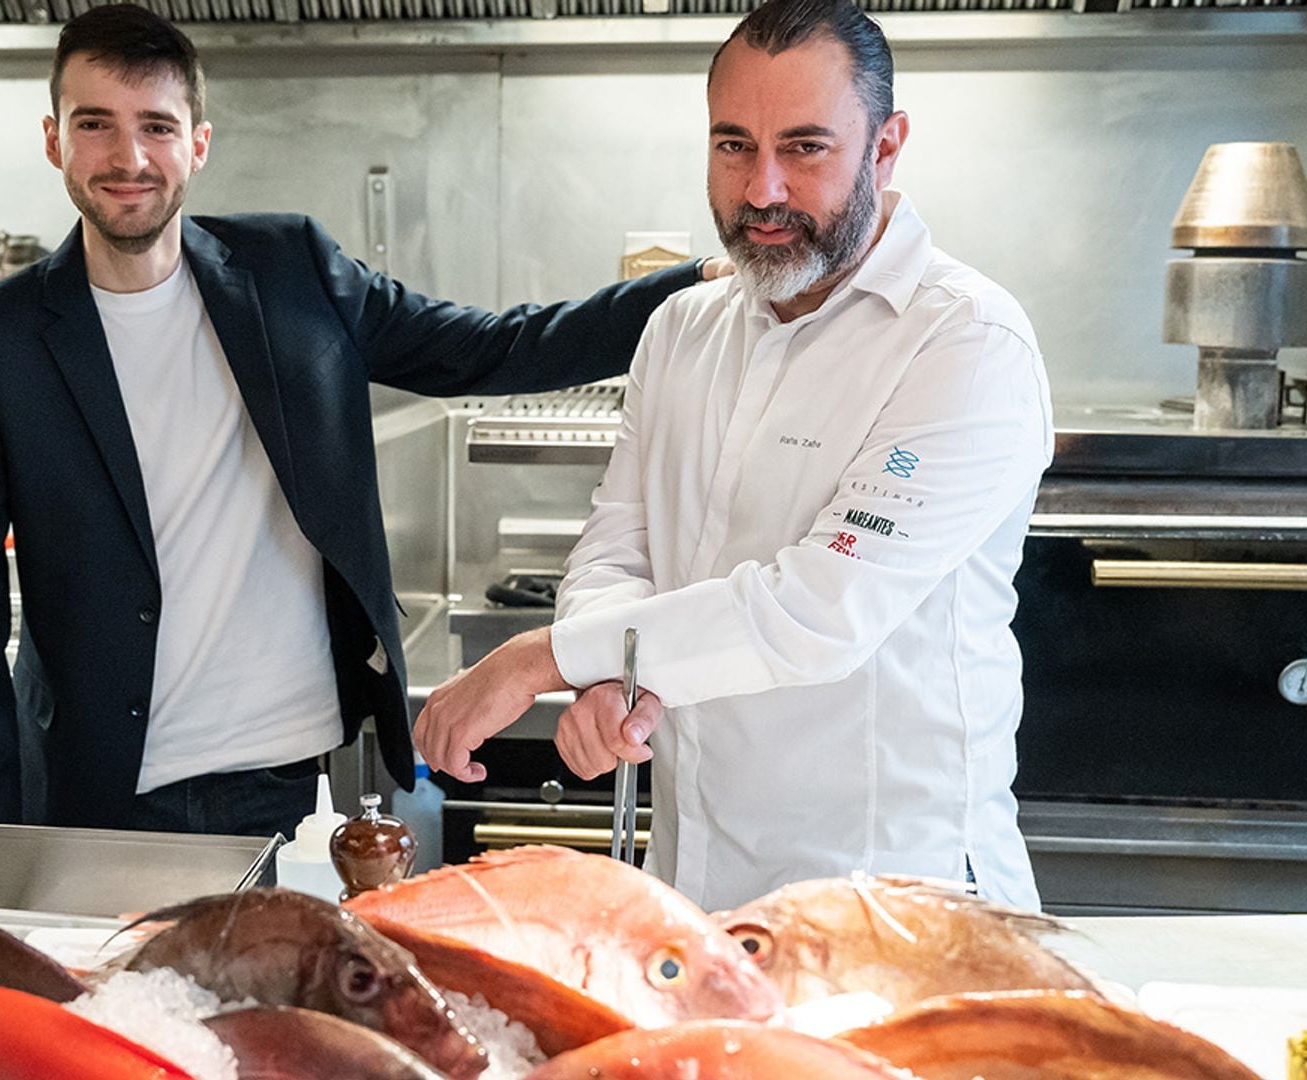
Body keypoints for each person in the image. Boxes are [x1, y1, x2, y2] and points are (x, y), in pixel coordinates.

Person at [0, 2, 725, 838]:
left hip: (288, 783)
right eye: (96, 124)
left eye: (157, 125)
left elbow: (489, 349)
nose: (129, 157)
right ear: (54, 140)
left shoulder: (289, 271)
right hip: (96, 793)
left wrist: (692, 285)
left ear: (198, 143)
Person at [413, 0, 1054, 911]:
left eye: (805, 148)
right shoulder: (682, 328)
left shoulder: (964, 341)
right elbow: (617, 547)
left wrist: (541, 659)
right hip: (695, 887)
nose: (762, 190)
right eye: (732, 146)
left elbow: (816, 611)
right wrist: (608, 671)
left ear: (886, 144)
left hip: (888, 892)